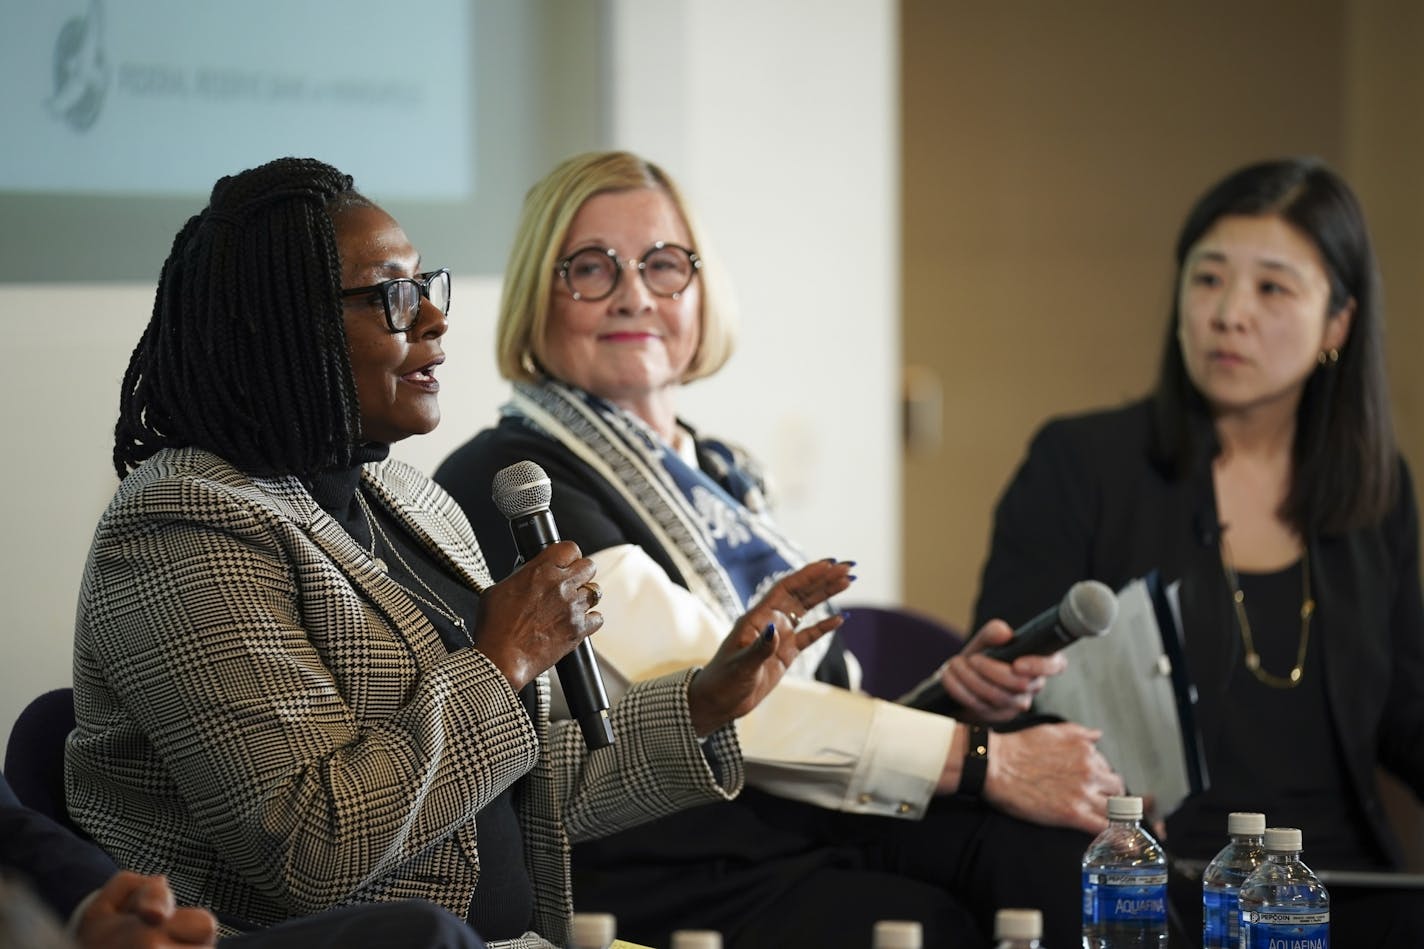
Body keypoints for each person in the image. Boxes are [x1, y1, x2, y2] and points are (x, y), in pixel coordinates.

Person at [64, 157, 852, 949]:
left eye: (427, 288)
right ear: (286, 325)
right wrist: (501, 659)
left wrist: (703, 702)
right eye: (392, 298)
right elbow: (308, 842)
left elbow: (522, 784)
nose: (435, 322)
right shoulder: (184, 525)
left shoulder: (411, 500)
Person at [434, 150, 1125, 949]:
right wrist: (978, 759)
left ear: (700, 289)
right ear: (535, 297)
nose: (633, 294)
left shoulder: (721, 469)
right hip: (669, 854)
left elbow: (796, 688)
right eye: (591, 268)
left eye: (664, 266)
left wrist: (948, 697)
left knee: (1071, 851)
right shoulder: (513, 482)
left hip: (794, 823)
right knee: (933, 921)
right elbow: (711, 691)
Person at [972, 157, 1424, 945]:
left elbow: (1406, 707)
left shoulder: (1375, 491)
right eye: (1208, 279)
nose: (1229, 313)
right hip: (1161, 889)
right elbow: (1013, 692)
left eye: (1272, 287)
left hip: (1349, 890)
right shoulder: (1082, 465)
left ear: (1338, 324)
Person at [1, 772, 484, 949]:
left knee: (418, 936)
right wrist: (501, 666)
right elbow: (315, 849)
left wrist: (94, 914)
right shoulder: (179, 552)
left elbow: (7, 825)